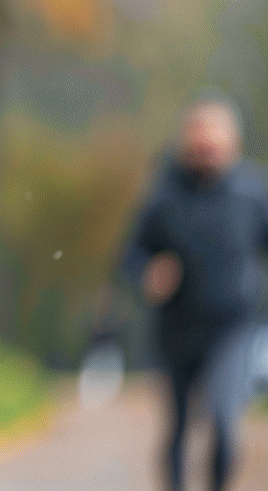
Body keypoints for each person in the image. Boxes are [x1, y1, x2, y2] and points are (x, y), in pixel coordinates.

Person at [120, 97, 268, 491]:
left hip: (233, 328)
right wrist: (148, 273)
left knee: (224, 422)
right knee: (180, 427)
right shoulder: (164, 196)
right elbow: (131, 254)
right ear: (185, 143)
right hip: (177, 331)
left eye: (214, 135)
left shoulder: (253, 194)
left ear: (232, 141)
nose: (206, 146)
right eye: (198, 136)